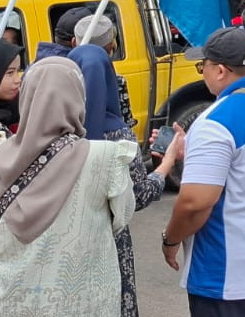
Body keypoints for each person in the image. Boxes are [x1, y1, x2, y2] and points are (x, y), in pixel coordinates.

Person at [0, 58, 137, 317]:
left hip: (9, 298)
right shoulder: (104, 157)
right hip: (80, 300)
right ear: (78, 97)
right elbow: (122, 217)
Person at [161, 28, 245, 316]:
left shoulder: (213, 122)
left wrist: (170, 239)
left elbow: (194, 203)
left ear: (220, 70)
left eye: (203, 66)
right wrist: (194, 154)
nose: (202, 73)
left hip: (230, 269)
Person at [70, 18, 173, 317]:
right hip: (107, 242)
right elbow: (138, 196)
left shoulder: (50, 125)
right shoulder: (116, 135)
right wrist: (165, 165)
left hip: (62, 245)